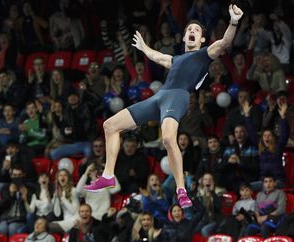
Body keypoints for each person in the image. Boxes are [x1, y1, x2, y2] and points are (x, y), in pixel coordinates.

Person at [85, 5, 244, 209]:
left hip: (178, 97)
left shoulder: (204, 53)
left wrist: (233, 22)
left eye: (196, 30)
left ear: (202, 39)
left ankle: (181, 190)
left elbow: (224, 43)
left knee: (168, 138)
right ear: (185, 38)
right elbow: (159, 57)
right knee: (110, 125)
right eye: (189, 30)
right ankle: (108, 175)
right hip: (159, 98)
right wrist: (143, 47)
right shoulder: (176, 59)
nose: (192, 32)